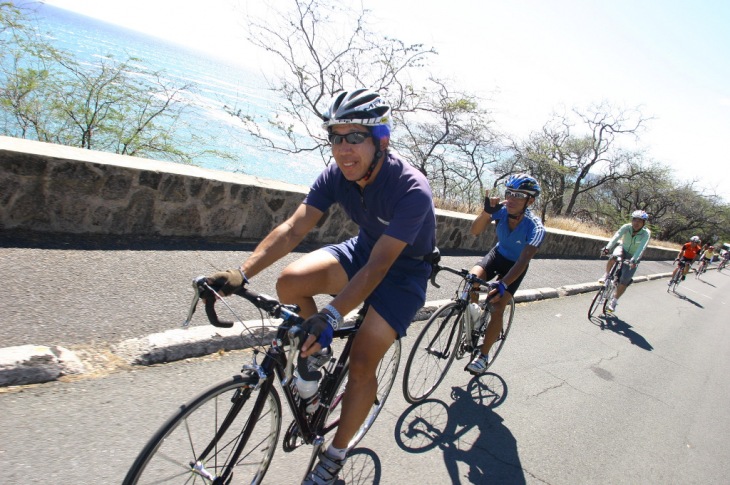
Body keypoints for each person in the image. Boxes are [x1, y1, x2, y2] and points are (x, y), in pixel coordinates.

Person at [206, 88, 436, 485]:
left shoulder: (411, 189)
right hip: (363, 249)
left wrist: (331, 314)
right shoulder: (337, 175)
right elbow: (295, 227)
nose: (343, 149)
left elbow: (381, 266)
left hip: (402, 273)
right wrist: (240, 274)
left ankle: (334, 456)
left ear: (381, 141)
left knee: (364, 361)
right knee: (290, 282)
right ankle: (316, 354)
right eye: (335, 137)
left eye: (355, 137)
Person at [465, 173, 545, 374]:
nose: (511, 198)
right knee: (471, 279)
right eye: (509, 193)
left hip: (515, 266)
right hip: (497, 255)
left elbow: (523, 260)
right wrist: (486, 213)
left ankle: (483, 355)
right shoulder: (500, 211)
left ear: (530, 200)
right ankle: (474, 317)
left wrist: (503, 284)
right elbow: (474, 231)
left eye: (519, 195)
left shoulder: (536, 227)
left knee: (497, 305)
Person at [599, 210, 651, 313]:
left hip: (634, 255)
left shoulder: (646, 233)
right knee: (613, 256)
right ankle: (606, 275)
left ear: (644, 223)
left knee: (625, 280)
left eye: (640, 221)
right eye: (634, 220)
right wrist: (607, 248)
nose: (636, 223)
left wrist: (634, 260)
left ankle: (614, 301)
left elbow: (642, 247)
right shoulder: (626, 227)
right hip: (623, 249)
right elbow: (616, 237)